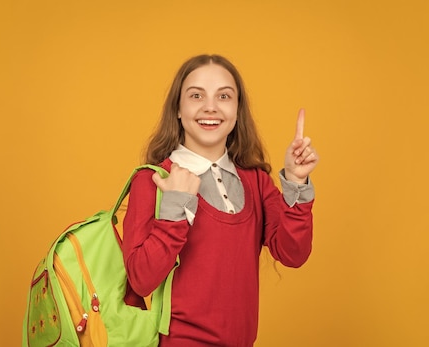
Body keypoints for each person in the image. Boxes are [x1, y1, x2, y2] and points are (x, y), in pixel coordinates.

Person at [122, 54, 319, 347]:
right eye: (196, 95)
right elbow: (140, 280)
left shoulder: (256, 181)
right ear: (178, 108)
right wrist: (175, 205)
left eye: (224, 96)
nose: (210, 106)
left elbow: (293, 253)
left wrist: (296, 181)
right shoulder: (153, 180)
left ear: (237, 111)